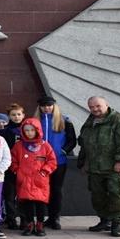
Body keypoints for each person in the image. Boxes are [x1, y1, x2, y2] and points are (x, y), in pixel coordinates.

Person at [77, 96, 120, 237]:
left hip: (115, 167)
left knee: (117, 196)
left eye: (98, 106)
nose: (95, 109)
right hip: (95, 167)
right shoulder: (90, 122)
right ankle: (105, 220)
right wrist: (83, 163)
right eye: (91, 107)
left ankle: (116, 224)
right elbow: (84, 144)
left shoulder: (118, 120)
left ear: (106, 104)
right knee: (98, 196)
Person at [34, 95, 77, 229]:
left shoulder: (64, 121)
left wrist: (63, 151)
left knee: (56, 190)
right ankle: (42, 218)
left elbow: (72, 140)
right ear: (39, 107)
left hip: (58, 162)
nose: (46, 108)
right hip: (39, 162)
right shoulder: (35, 121)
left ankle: (54, 218)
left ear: (54, 106)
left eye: (49, 105)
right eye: (43, 106)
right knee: (40, 190)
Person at [10, 118, 57, 237]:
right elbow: (13, 160)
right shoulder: (19, 146)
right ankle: (29, 224)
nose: (29, 133)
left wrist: (44, 172)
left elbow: (52, 161)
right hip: (24, 180)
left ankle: (40, 224)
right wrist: (16, 170)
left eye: (32, 130)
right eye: (26, 130)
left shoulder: (45, 146)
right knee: (27, 204)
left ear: (37, 130)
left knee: (40, 203)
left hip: (40, 180)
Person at [0, 103, 26, 230]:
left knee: (23, 194)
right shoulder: (5, 131)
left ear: (23, 115)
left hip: (25, 167)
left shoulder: (28, 129)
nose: (16, 117)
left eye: (19, 114)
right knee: (9, 194)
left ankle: (24, 219)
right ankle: (11, 219)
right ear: (9, 116)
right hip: (9, 167)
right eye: (13, 115)